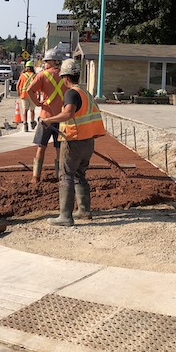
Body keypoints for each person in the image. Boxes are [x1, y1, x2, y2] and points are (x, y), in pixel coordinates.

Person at [40, 58, 106, 226]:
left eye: (62, 78)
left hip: (74, 141)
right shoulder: (86, 93)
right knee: (79, 175)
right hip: (88, 142)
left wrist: (50, 120)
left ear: (66, 77)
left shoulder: (71, 93)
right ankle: (84, 211)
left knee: (66, 175)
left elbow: (68, 113)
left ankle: (65, 216)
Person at [26, 48, 66, 184]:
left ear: (53, 61)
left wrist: (37, 103)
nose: (45, 64)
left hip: (45, 118)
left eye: (47, 61)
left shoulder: (42, 75)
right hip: (61, 118)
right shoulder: (65, 76)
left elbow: (29, 90)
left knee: (41, 146)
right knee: (60, 149)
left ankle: (35, 177)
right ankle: (60, 175)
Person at [16, 60, 37, 132]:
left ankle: (25, 124)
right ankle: (32, 122)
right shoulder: (35, 76)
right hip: (33, 95)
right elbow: (39, 86)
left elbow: (17, 85)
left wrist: (19, 93)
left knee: (25, 110)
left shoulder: (22, 75)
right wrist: (39, 95)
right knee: (32, 110)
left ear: (26, 67)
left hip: (24, 95)